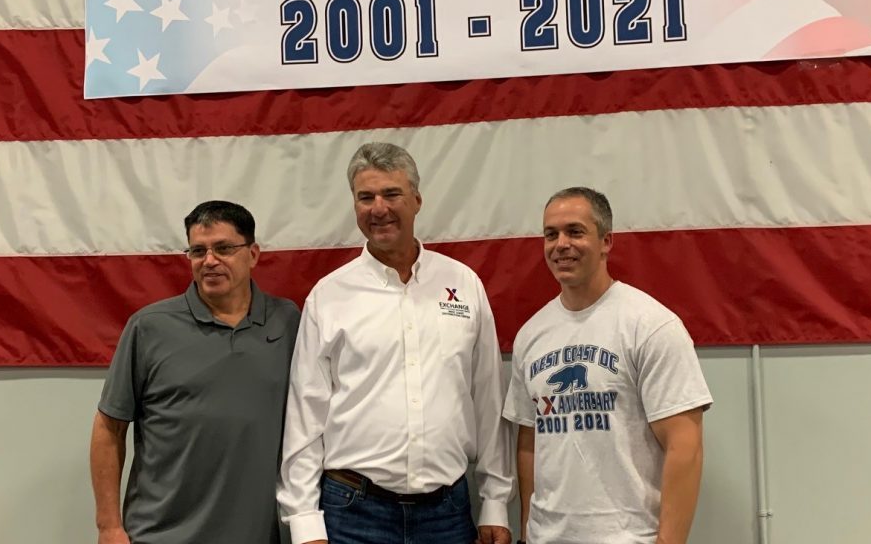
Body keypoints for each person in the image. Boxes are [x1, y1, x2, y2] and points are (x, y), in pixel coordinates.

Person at [278, 142, 514, 544]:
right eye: (365, 197)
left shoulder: (462, 284)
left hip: (447, 514)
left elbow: (487, 399)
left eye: (391, 194)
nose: (378, 208)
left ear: (417, 200)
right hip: (353, 513)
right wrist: (303, 521)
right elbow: (306, 412)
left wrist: (495, 502)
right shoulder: (329, 295)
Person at [504, 187, 712, 544]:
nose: (561, 244)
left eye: (575, 231)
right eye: (551, 234)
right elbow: (529, 441)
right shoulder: (531, 334)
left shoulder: (650, 325)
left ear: (606, 241)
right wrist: (526, 530)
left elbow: (685, 443)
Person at [90, 200, 301, 544]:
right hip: (161, 534)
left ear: (254, 254)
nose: (210, 261)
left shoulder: (288, 321)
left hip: (260, 534)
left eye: (224, 248)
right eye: (198, 250)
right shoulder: (149, 327)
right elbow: (109, 428)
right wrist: (109, 527)